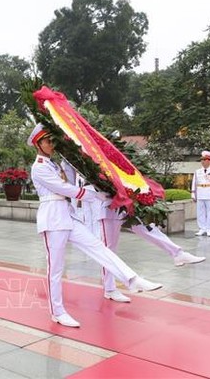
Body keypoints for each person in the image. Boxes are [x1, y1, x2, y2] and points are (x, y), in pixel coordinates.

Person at [27, 123, 162, 328]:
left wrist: (78, 167)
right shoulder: (39, 167)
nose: (51, 145)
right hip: (53, 219)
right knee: (55, 269)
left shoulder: (54, 164)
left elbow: (70, 183)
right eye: (47, 141)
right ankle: (58, 311)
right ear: (38, 144)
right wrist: (92, 195)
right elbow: (64, 188)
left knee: (98, 247)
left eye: (52, 140)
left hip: (68, 215)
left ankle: (132, 280)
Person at [192, 151, 210, 236]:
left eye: (205, 160)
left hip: (209, 193)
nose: (203, 161)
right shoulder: (197, 171)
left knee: (209, 212)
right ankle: (202, 228)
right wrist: (193, 194)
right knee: (200, 212)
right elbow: (194, 183)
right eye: (202, 160)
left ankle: (209, 229)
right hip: (200, 193)